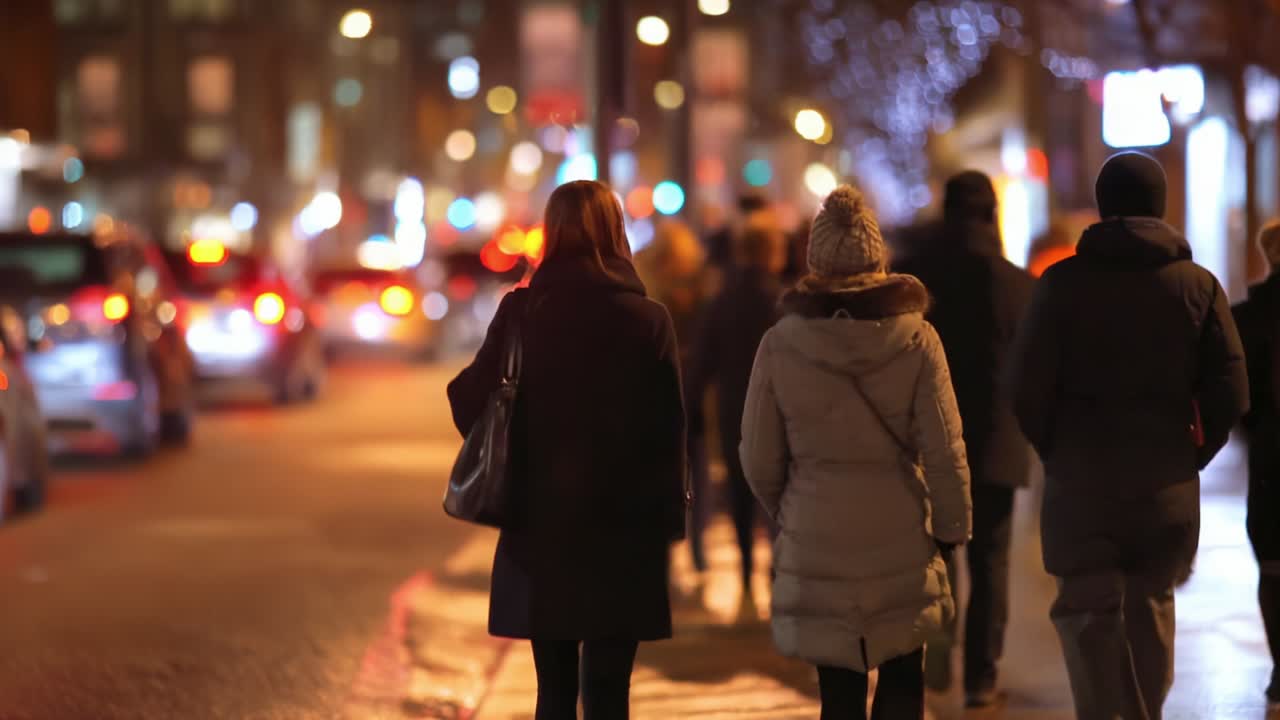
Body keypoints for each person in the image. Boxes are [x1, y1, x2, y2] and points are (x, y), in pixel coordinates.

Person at [1007, 152, 1249, 720]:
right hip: (1163, 477)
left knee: (1087, 608)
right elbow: (1231, 389)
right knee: (1151, 601)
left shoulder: (1061, 285)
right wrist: (1191, 451)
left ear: (1102, 204)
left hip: (1081, 481)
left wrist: (1056, 449)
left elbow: (1025, 385)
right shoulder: (1197, 286)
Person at [446, 180, 687, 720]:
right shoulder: (649, 321)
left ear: (550, 235)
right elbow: (669, 432)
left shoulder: (522, 314)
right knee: (609, 692)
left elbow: (466, 398)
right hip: (624, 532)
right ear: (616, 234)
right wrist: (670, 524)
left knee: (553, 691)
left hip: (541, 527)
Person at [739, 185, 972, 719]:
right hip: (901, 536)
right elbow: (944, 447)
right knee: (902, 683)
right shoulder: (918, 340)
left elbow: (757, 454)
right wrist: (953, 528)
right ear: (877, 257)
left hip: (818, 534)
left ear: (815, 261)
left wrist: (791, 508)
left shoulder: (781, 344)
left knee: (838, 694)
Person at [896, 171, 1034, 707]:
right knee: (991, 561)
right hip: (999, 443)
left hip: (926, 442)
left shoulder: (914, 280)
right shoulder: (1017, 285)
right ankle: (981, 676)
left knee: (935, 556)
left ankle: (935, 658)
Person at [686, 219, 788, 595]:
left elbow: (703, 360)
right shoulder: (781, 301)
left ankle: (746, 572)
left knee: (741, 491)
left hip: (735, 408)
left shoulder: (722, 301)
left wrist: (693, 405)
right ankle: (777, 569)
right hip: (778, 411)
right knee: (778, 493)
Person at [636, 220, 716, 572]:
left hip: (672, 399)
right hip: (684, 397)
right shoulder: (695, 293)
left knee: (680, 478)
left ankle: (684, 553)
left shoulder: (656, 291)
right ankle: (687, 552)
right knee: (688, 477)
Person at [1233, 220, 1280, 708]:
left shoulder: (1245, 317)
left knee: (1271, 564)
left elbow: (1235, 393)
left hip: (1270, 458)